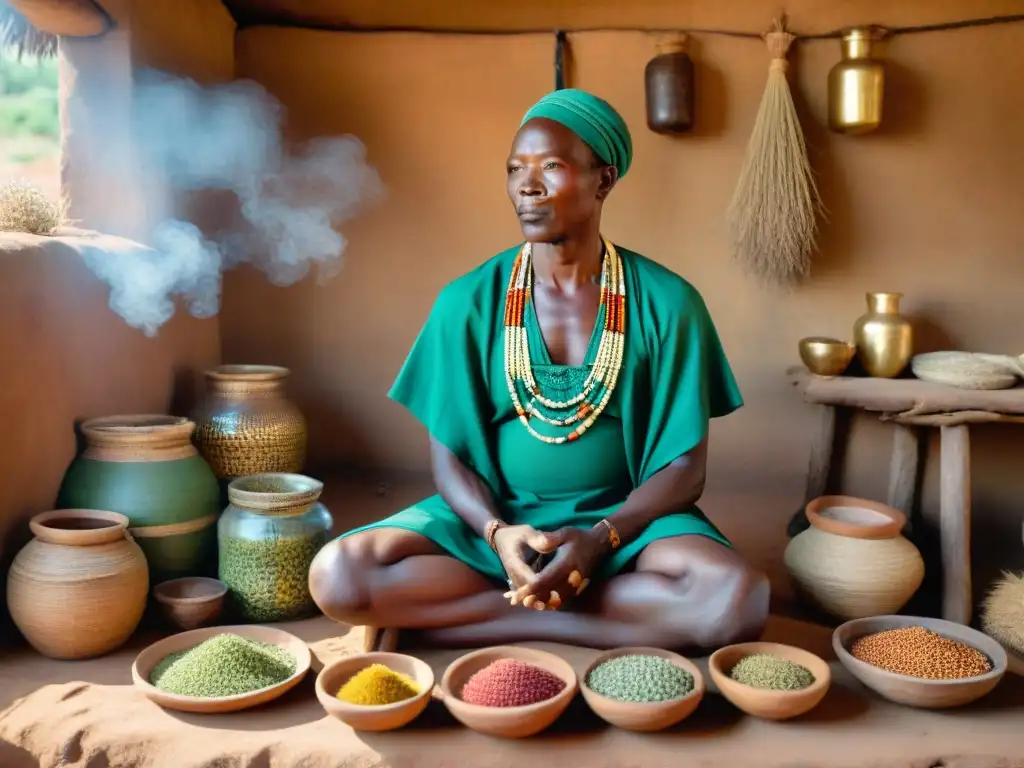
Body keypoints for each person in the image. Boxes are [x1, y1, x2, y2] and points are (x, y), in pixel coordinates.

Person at [309, 88, 770, 651]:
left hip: (625, 526)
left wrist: (600, 540)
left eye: (550, 166)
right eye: (515, 169)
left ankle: (469, 616)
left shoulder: (669, 303)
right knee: (338, 576)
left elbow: (685, 469)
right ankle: (581, 612)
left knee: (737, 598)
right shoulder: (469, 301)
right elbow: (449, 457)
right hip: (496, 524)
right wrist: (499, 535)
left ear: (603, 179)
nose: (527, 185)